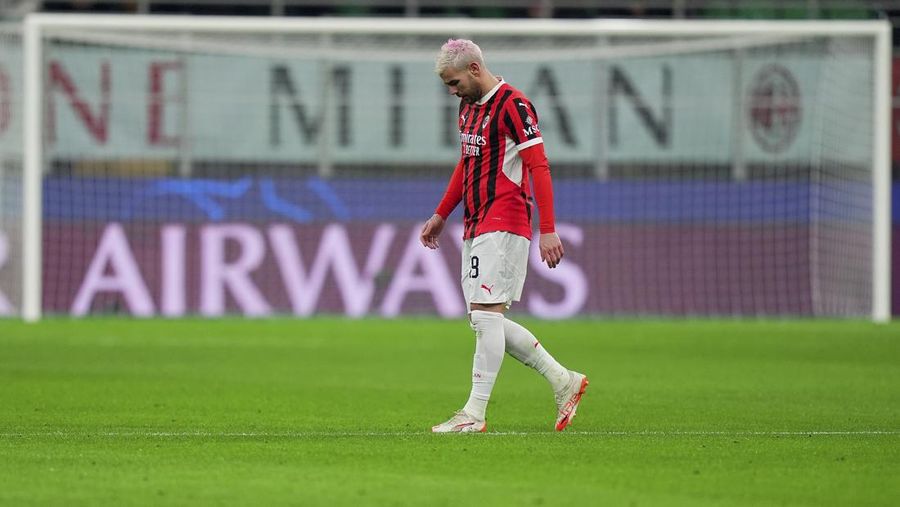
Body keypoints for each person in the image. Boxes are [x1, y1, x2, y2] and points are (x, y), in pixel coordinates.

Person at [421, 39, 588, 433]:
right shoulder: (468, 108)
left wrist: (547, 228)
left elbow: (539, 166)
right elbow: (467, 162)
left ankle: (474, 414)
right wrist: (442, 213)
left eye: (455, 81)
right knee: (483, 318)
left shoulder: (514, 105)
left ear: (475, 69)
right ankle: (564, 380)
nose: (452, 91)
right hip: (475, 222)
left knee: (484, 317)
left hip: (506, 220)